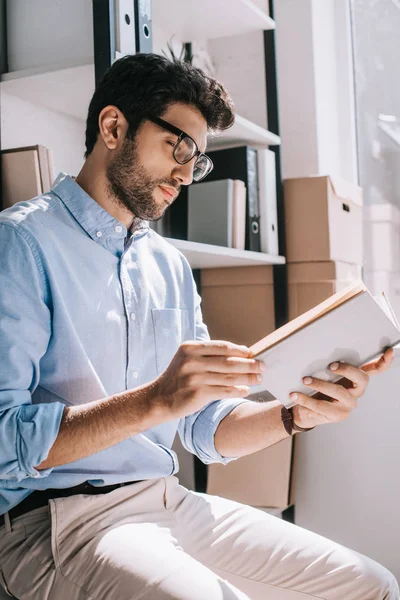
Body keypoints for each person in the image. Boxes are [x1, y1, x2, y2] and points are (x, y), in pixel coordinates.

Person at [0, 53, 397, 600]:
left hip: (167, 501)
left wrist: (293, 415)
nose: (187, 173)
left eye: (198, 159)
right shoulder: (20, 242)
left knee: (370, 585)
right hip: (56, 522)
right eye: (178, 147)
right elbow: (2, 439)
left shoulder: (169, 266)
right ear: (113, 127)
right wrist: (155, 401)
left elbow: (204, 427)